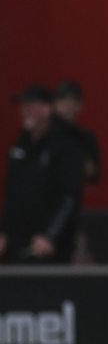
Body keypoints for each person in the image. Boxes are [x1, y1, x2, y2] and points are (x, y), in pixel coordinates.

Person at [1, 85, 86, 263]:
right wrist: (3, 231)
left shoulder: (65, 145)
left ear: (47, 109)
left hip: (48, 245)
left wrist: (50, 235)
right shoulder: (20, 145)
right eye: (23, 105)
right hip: (17, 241)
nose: (25, 110)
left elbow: (69, 196)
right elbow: (11, 194)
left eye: (31, 105)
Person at [54, 80, 101, 184]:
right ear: (54, 105)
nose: (67, 106)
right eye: (63, 101)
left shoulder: (85, 137)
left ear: (80, 106)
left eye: (72, 102)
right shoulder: (45, 136)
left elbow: (92, 174)